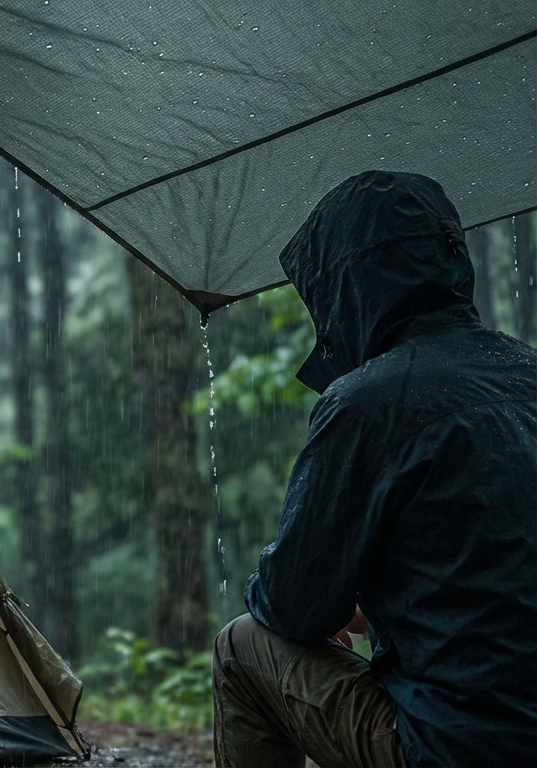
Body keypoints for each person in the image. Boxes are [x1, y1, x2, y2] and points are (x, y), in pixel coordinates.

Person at [212, 171, 537, 767]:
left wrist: (329, 603)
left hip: (458, 747)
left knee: (242, 644)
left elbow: (290, 606)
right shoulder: (527, 372)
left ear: (346, 287)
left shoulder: (369, 402)